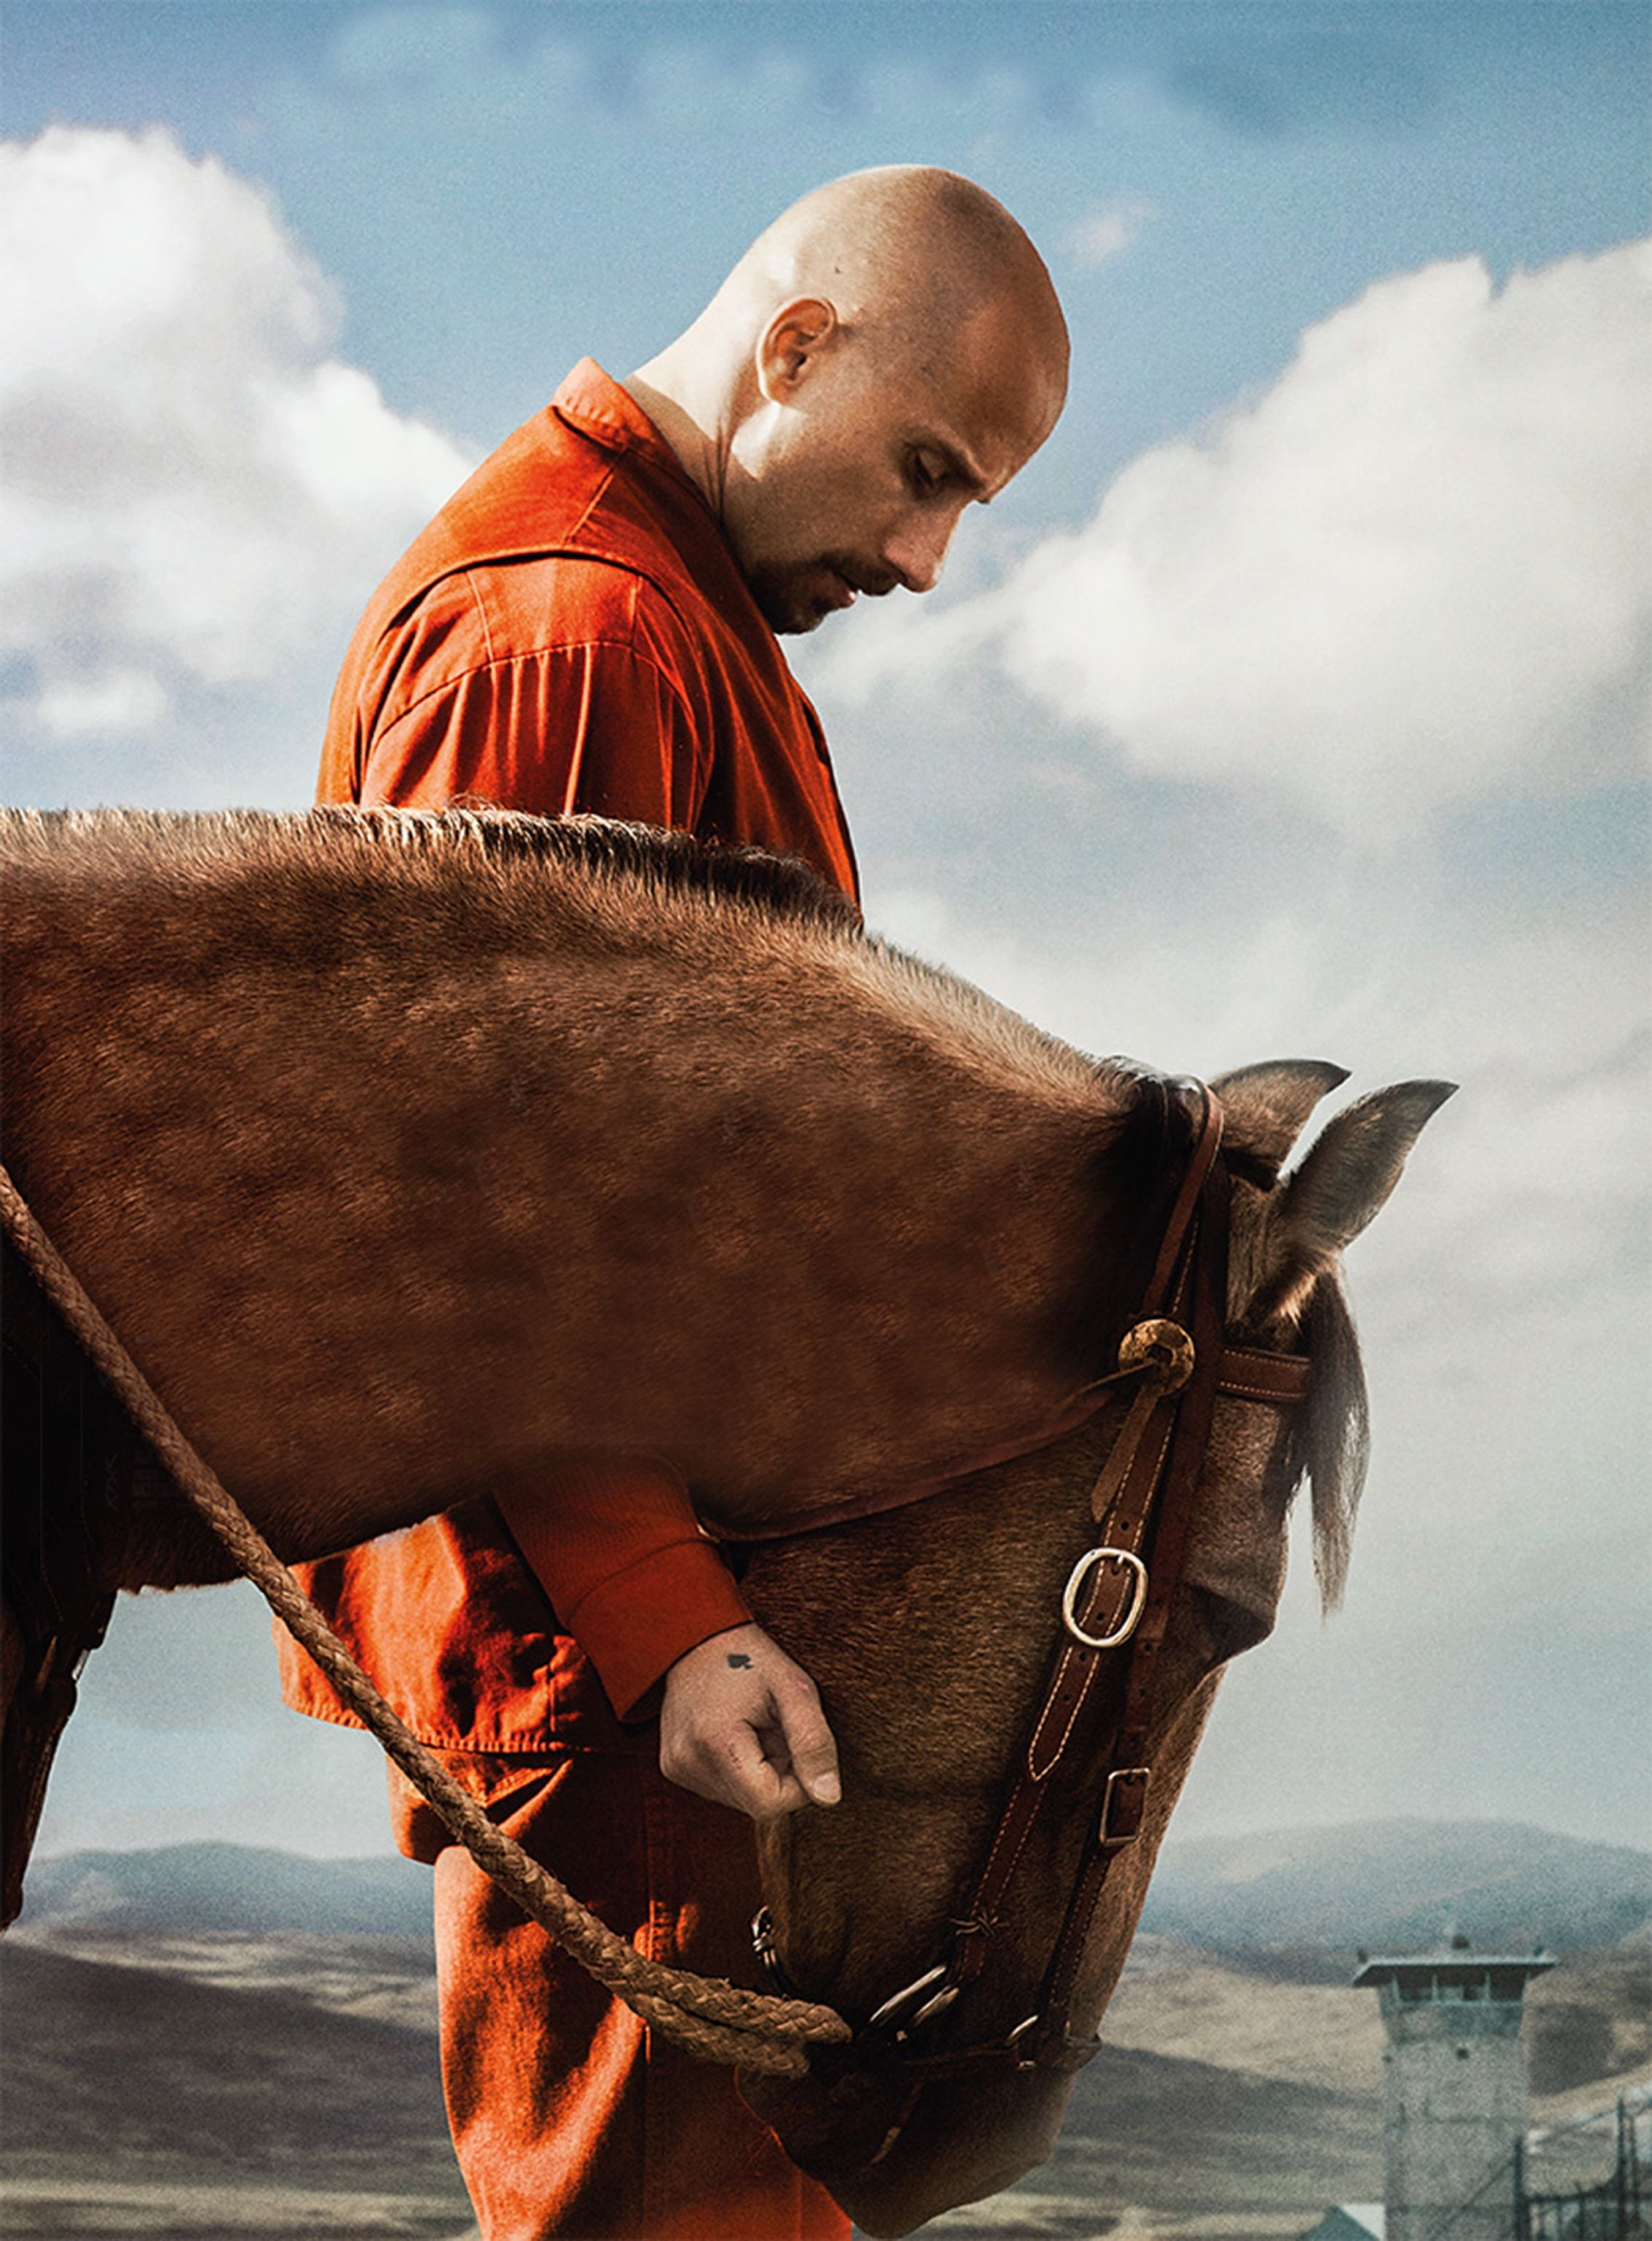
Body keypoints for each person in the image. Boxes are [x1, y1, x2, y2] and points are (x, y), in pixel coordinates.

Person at [278, 165, 1068, 2241]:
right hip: (614, 1666)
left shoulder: (673, 609)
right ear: (791, 343)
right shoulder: (581, 624)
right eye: (921, 472)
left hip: (663, 1653)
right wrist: (664, 1616)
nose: (925, 556)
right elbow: (476, 1200)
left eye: (970, 503)